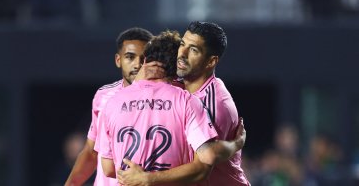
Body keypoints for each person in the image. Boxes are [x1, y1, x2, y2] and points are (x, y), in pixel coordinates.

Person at [96, 30, 247, 185]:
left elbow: (108, 168)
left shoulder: (112, 102)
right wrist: (238, 143)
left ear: (145, 61)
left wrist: (142, 175)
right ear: (176, 66)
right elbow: (206, 160)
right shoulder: (187, 101)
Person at [64, 27, 164, 186]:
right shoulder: (104, 96)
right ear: (118, 60)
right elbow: (91, 153)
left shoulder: (170, 98)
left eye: (144, 58)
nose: (137, 64)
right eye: (130, 57)